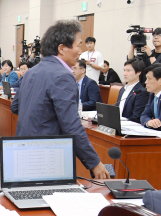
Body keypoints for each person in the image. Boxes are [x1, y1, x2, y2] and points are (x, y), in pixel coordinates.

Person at [11, 19, 109, 179]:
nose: (80, 51)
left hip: (23, 148)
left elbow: (15, 107)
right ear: (62, 48)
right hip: (48, 155)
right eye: (78, 45)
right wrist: (94, 162)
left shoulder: (31, 71)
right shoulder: (62, 76)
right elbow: (71, 125)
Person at [115, 58, 149, 123]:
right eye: (124, 70)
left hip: (129, 126)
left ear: (139, 72)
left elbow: (136, 117)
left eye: (128, 71)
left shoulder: (142, 92)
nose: (124, 74)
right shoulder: (122, 89)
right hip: (117, 124)